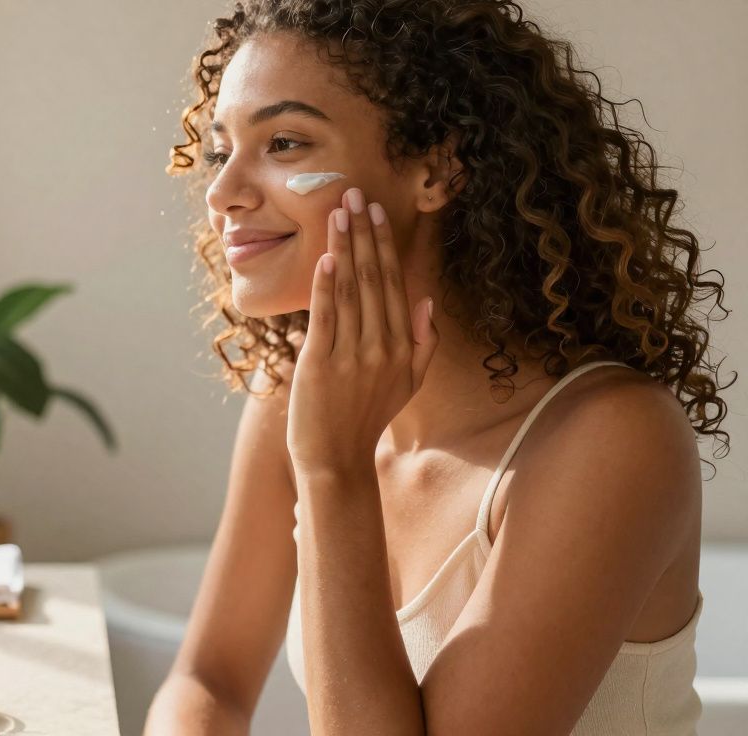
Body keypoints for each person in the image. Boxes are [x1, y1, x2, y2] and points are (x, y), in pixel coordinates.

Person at [145, 1, 733, 733]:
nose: (222, 192)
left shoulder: (613, 438)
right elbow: (209, 680)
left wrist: (332, 472)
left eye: (284, 143)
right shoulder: (297, 380)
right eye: (218, 151)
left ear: (437, 168)